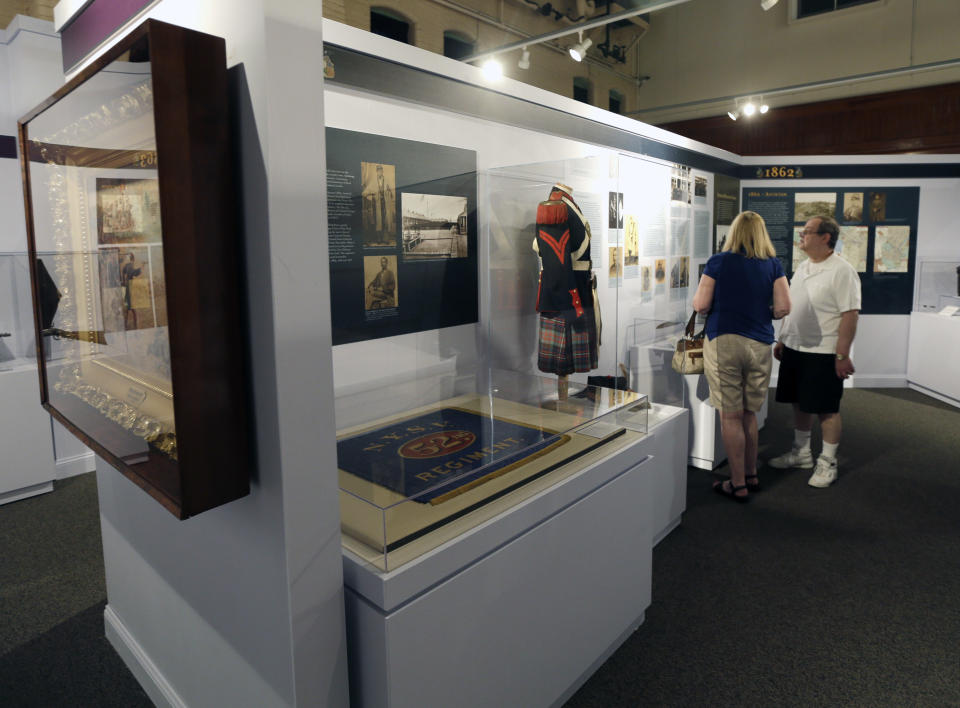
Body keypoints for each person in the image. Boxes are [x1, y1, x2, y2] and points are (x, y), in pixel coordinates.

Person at [692, 211, 791, 502]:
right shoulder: (773, 265)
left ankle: (737, 484)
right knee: (749, 413)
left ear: (734, 233)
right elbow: (784, 307)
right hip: (760, 343)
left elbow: (700, 304)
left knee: (730, 415)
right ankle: (751, 474)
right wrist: (764, 312)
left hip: (725, 341)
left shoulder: (719, 262)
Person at [769, 215, 860, 488]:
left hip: (824, 352)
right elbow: (794, 306)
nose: (801, 236)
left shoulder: (842, 271)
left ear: (825, 237)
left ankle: (828, 462)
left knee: (826, 408)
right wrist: (784, 338)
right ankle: (802, 453)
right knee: (799, 401)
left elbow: (850, 315)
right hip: (796, 348)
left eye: (807, 232)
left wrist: (842, 355)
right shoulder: (803, 267)